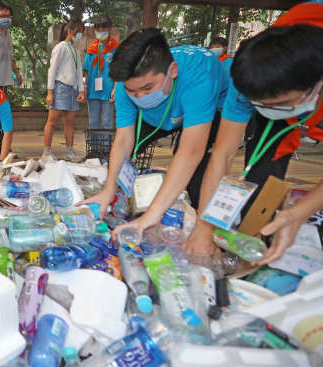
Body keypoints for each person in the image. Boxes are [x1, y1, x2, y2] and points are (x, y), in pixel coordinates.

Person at [186, 2, 323, 265]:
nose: (267, 110)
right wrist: (203, 227)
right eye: (257, 104)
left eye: (279, 104)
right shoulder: (252, 74)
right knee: (263, 176)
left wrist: (299, 213)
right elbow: (223, 154)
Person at [78, 29, 229, 237]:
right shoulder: (127, 85)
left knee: (197, 178)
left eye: (147, 88)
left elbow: (190, 151)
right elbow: (123, 138)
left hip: (205, 113)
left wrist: (153, 215)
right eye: (133, 91)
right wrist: (108, 189)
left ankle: (201, 230)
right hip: (156, 116)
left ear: (172, 71)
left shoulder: (200, 74)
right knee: (120, 166)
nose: (139, 96)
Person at [42, 19, 86, 161]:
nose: (80, 35)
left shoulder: (75, 50)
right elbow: (52, 70)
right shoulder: (61, 47)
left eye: (81, 33)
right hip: (60, 87)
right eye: (78, 32)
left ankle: (69, 151)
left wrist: (81, 90)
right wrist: (50, 91)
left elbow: (79, 72)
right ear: (69, 31)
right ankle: (47, 153)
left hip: (72, 90)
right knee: (52, 121)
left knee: (70, 123)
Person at [83, 16, 120, 139]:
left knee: (107, 122)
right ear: (95, 30)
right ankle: (93, 152)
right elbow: (86, 70)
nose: (101, 31)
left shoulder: (116, 47)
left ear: (109, 29)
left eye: (104, 28)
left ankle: (104, 153)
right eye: (98, 29)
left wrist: (115, 88)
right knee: (93, 122)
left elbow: (118, 70)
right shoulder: (91, 49)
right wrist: (85, 88)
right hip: (93, 91)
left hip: (108, 91)